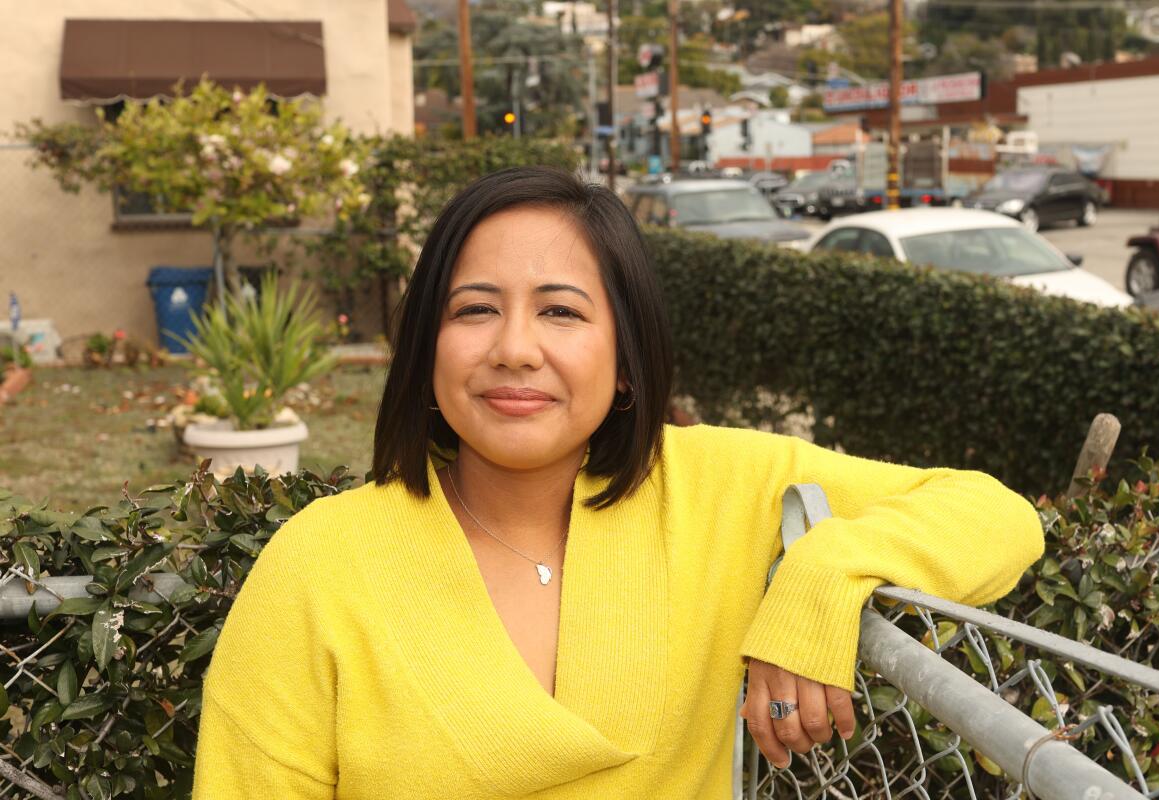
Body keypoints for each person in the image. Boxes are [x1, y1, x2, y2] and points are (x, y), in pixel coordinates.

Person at [193, 167, 1044, 799]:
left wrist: (823, 582)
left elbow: (994, 514)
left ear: (627, 361)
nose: (515, 347)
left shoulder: (716, 486)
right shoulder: (321, 562)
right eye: (474, 309)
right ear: (426, 352)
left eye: (561, 311)